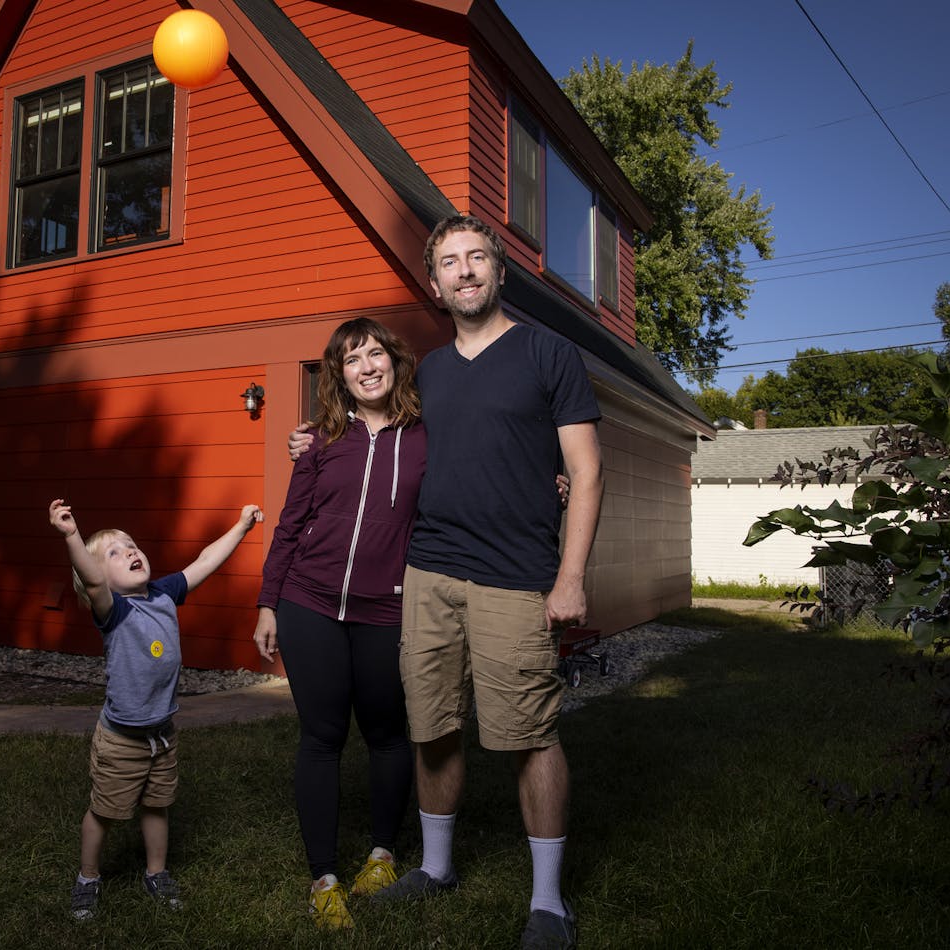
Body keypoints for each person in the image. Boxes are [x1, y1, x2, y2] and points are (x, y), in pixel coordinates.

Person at [291, 214, 603, 949]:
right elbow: (370, 427)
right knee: (431, 726)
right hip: (426, 574)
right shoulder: (425, 371)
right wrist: (311, 439)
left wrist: (571, 576)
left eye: (477, 258)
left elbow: (585, 471)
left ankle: (550, 902)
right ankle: (435, 868)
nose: (465, 271)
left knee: (530, 736)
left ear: (500, 271)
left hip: (516, 577)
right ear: (433, 284)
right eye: (450, 263)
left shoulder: (548, 354)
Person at [254, 317, 424, 931]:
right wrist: (269, 602)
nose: (368, 367)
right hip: (310, 603)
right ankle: (323, 877)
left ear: (394, 361)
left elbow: (479, 481)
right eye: (353, 360)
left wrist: (551, 484)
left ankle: (383, 852)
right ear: (340, 375)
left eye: (376, 354)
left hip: (388, 610)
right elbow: (290, 523)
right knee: (321, 738)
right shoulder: (321, 438)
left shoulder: (426, 437)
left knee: (387, 733)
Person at [49, 498, 264, 921]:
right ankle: (88, 877)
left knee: (157, 804)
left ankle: (156, 872)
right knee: (105, 812)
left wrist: (240, 527)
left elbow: (204, 561)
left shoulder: (164, 593)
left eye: (131, 545)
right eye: (114, 552)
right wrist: (72, 535)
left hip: (162, 734)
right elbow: (92, 582)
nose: (130, 551)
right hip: (122, 739)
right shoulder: (113, 610)